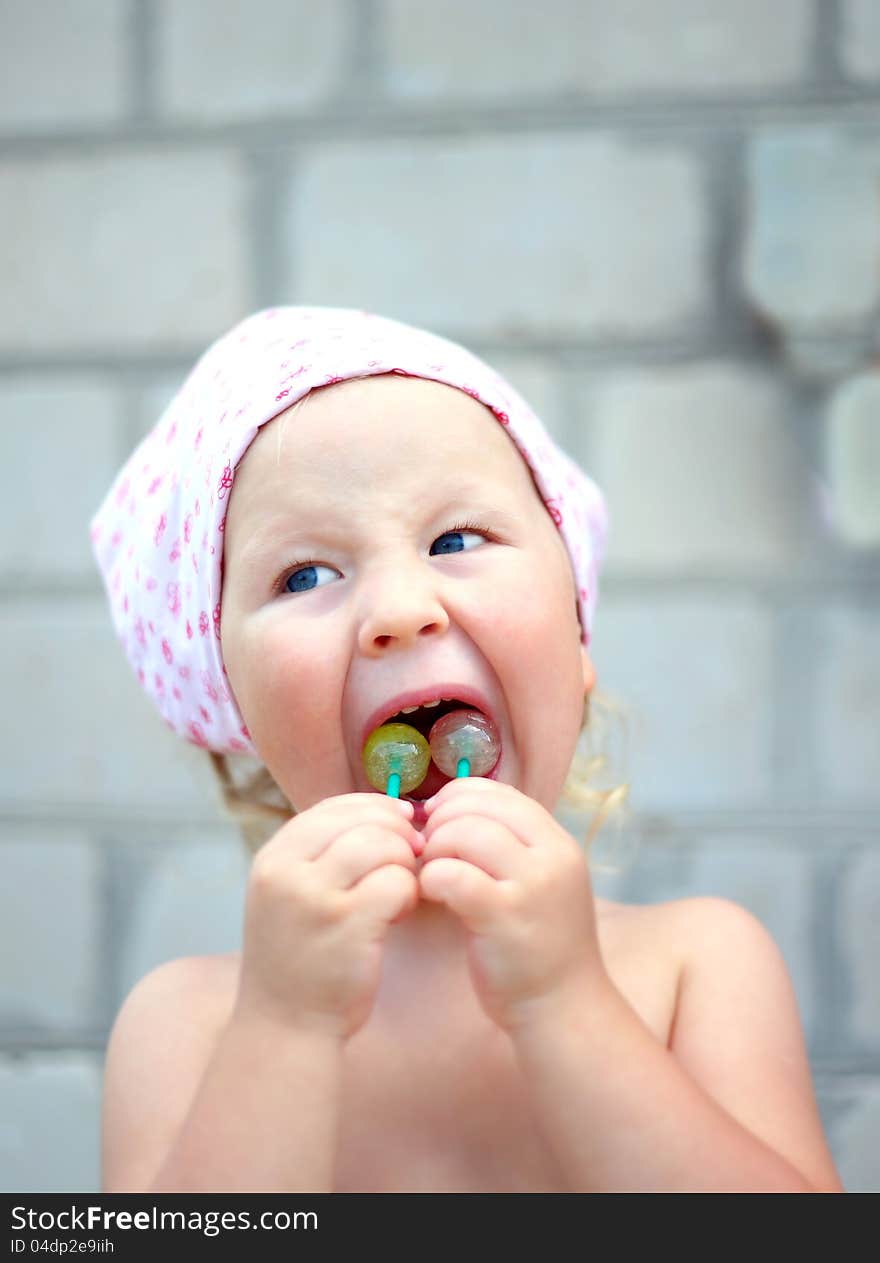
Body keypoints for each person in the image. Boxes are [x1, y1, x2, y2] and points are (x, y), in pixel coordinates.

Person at [90, 306, 844, 1193]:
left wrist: (565, 1003)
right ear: (232, 703)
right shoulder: (187, 1027)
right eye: (304, 576)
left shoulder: (697, 965)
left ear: (574, 630)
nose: (403, 608)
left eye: (456, 539)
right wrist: (284, 1029)